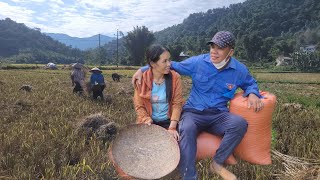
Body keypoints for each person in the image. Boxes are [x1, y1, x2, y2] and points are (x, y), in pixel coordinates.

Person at [132, 31, 264, 180]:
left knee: (239, 124)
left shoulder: (238, 70)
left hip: (218, 114)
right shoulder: (198, 62)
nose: (214, 51)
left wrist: (253, 93)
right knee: (186, 129)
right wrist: (142, 69)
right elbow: (169, 65)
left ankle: (217, 163)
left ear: (230, 51)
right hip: (193, 112)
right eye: (212, 46)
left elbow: (250, 83)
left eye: (220, 48)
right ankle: (189, 176)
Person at [133, 44, 184, 141]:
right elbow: (139, 106)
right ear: (152, 64)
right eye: (164, 61)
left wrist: (172, 127)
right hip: (149, 122)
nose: (169, 64)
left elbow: (177, 104)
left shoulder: (175, 78)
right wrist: (146, 119)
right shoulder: (141, 80)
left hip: (169, 121)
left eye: (169, 60)